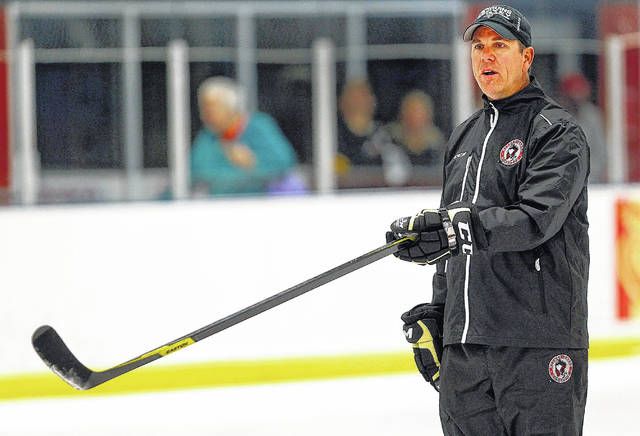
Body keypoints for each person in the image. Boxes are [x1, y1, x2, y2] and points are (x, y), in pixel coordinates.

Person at [386, 5, 589, 435]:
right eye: (479, 47)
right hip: (467, 354)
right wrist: (442, 318)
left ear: (527, 58)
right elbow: (450, 244)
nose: (486, 56)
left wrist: (456, 228)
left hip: (536, 345)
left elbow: (536, 219)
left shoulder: (555, 132)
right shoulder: (464, 135)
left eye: (500, 45)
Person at [190, 76, 301, 196]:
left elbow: (284, 163)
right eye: (203, 109)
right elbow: (195, 172)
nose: (205, 115)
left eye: (211, 109)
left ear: (230, 108)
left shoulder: (259, 126)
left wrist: (253, 163)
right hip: (220, 207)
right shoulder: (208, 135)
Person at [336, 78, 410, 186]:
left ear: (372, 102)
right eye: (353, 98)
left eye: (363, 97)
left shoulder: (384, 135)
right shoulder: (332, 136)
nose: (358, 103)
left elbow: (400, 175)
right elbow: (333, 173)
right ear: (342, 103)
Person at [384, 90, 446, 185]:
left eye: (419, 112)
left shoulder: (439, 149)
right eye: (411, 111)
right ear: (402, 115)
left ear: (428, 117)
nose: (414, 117)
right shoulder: (390, 145)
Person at [559, 72, 608, 183]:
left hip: (592, 178)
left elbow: (602, 152)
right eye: (573, 95)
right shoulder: (555, 117)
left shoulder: (593, 116)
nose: (577, 99)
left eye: (580, 94)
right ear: (565, 96)